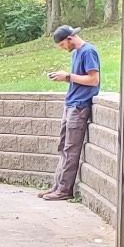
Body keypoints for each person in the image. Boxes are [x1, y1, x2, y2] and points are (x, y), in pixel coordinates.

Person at [40, 23, 101, 201]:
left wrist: (67, 76)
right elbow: (78, 79)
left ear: (69, 39)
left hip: (80, 106)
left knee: (71, 148)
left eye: (62, 45)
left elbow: (93, 80)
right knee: (63, 147)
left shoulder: (88, 51)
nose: (62, 49)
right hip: (71, 103)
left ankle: (65, 190)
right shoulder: (75, 54)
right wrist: (65, 78)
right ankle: (57, 186)